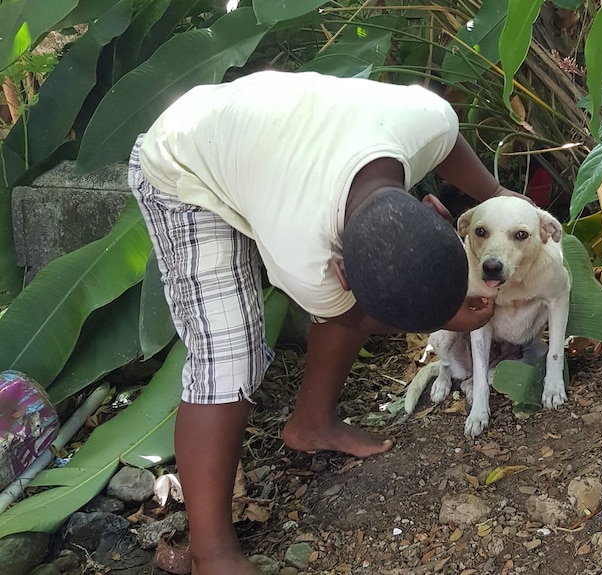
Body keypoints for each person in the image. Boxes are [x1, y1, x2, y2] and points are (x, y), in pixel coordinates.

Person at [128, 70, 525, 575]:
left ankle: (311, 423)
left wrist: (503, 199)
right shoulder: (307, 259)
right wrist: (446, 316)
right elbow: (351, 310)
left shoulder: (429, 120)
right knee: (228, 357)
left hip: (268, 144)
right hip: (184, 160)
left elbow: (449, 149)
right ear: (341, 270)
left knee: (375, 285)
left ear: (433, 208)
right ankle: (211, 553)